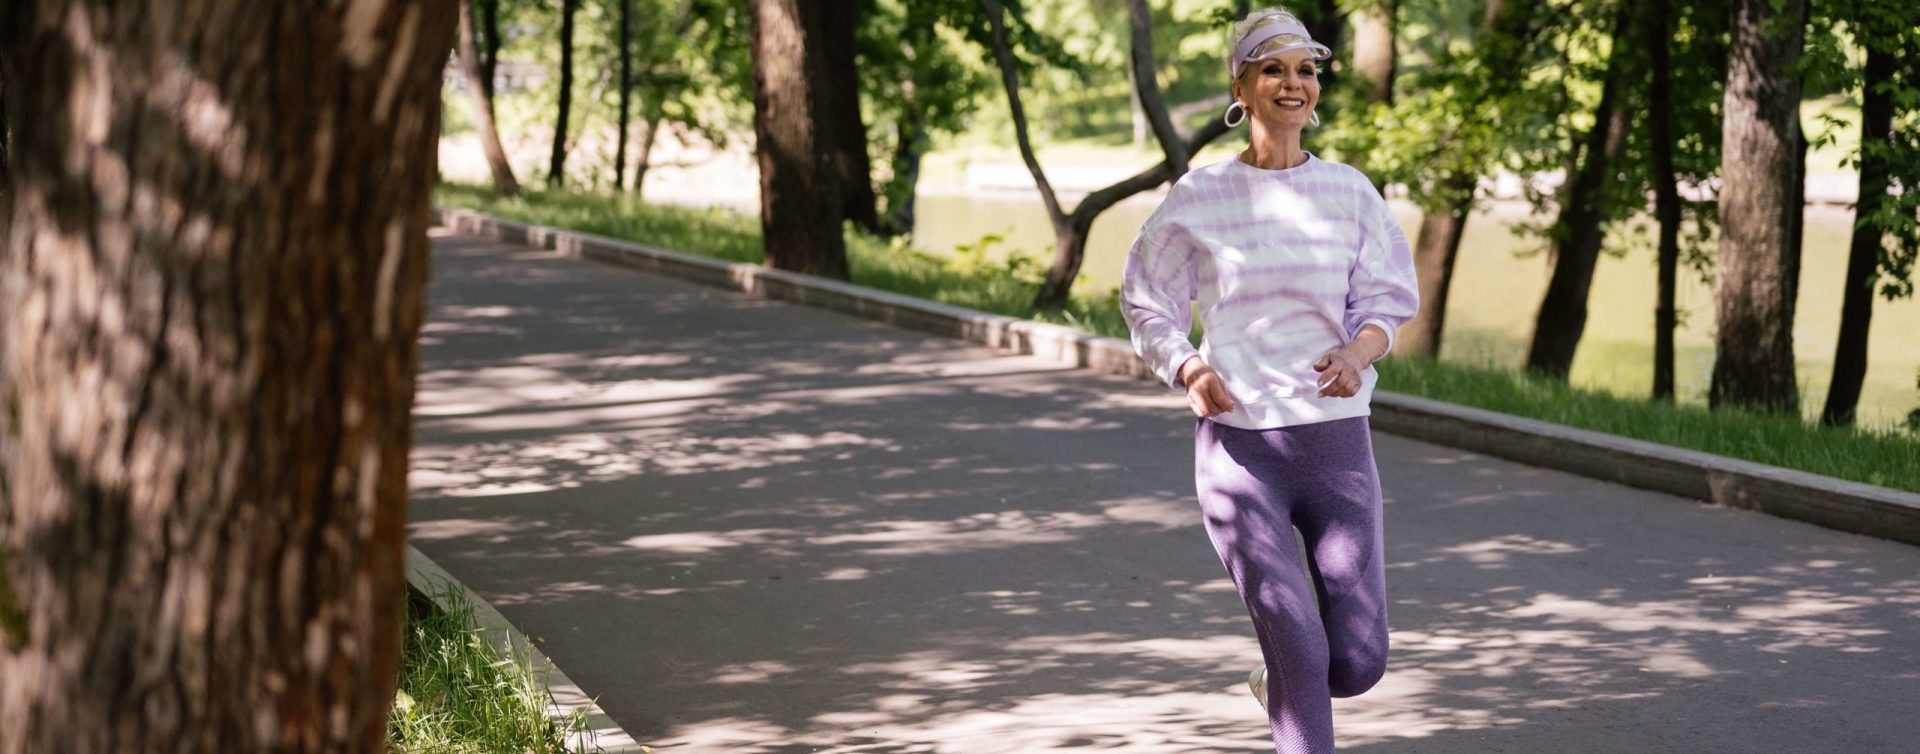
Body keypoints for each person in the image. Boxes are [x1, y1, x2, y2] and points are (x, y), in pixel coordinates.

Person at [1118, 7, 1420, 752]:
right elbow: (1144, 299)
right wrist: (1186, 364)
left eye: (1306, 71)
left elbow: (1385, 300)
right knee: (1302, 646)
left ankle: (1279, 685)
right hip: (1240, 454)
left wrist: (1357, 353)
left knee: (1356, 660)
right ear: (1242, 87)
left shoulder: (1350, 192)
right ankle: (1293, 690)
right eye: (1274, 69)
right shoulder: (1200, 196)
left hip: (1337, 448)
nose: (1294, 84)